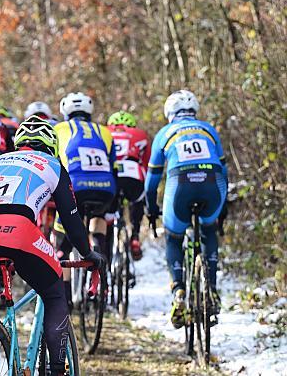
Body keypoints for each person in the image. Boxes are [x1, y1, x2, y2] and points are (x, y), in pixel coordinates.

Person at [0, 116, 105, 376]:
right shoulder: (52, 164)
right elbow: (71, 222)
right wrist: (88, 254)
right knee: (53, 294)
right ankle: (55, 370)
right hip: (15, 229)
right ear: (50, 145)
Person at [145, 90, 228, 328]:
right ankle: (210, 287)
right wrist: (222, 209)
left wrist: (152, 210)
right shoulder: (208, 129)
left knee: (173, 238)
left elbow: (151, 183)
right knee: (209, 229)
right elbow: (224, 172)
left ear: (169, 113)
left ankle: (179, 290)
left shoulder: (164, 133)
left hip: (179, 187)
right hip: (213, 185)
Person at [53, 92, 116, 306]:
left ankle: (65, 298)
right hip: (106, 189)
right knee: (98, 221)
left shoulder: (58, 129)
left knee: (63, 237)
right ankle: (102, 282)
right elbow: (113, 164)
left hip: (76, 187)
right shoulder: (105, 132)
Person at [107, 110, 150, 260]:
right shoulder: (140, 134)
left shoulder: (105, 132)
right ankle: (135, 236)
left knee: (106, 214)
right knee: (137, 200)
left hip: (111, 175)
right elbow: (146, 163)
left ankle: (103, 245)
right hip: (133, 173)